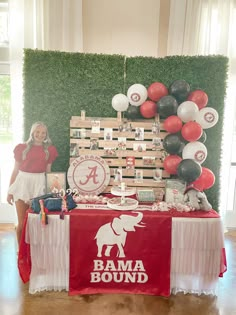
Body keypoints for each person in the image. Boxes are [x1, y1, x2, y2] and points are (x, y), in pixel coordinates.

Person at [7, 122, 58, 247]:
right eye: (37, 132)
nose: (40, 135)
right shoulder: (21, 148)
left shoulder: (49, 150)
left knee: (36, 221)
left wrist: (51, 190)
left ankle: (35, 250)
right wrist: (9, 191)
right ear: (32, 133)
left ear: (46, 135)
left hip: (39, 183)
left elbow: (48, 171)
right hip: (23, 183)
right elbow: (15, 170)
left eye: (43, 133)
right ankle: (20, 251)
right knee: (22, 221)